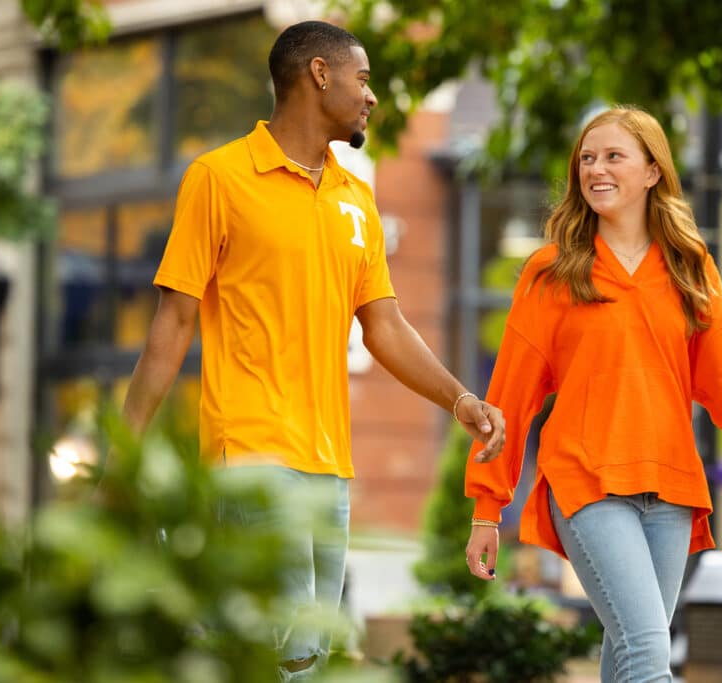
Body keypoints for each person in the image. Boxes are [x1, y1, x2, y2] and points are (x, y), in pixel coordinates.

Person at [120, 20, 505, 681]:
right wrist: (122, 457)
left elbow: (383, 326)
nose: (372, 97)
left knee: (304, 658)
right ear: (318, 74)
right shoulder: (219, 178)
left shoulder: (357, 198)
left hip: (329, 465)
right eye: (363, 78)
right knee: (283, 653)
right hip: (249, 454)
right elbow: (172, 325)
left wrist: (460, 398)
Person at [463, 106, 722, 682]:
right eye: (587, 159)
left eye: (613, 157)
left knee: (626, 655)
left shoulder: (688, 266)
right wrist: (486, 508)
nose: (595, 169)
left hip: (670, 486)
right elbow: (510, 397)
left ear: (653, 171)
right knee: (649, 654)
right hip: (587, 480)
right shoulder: (552, 272)